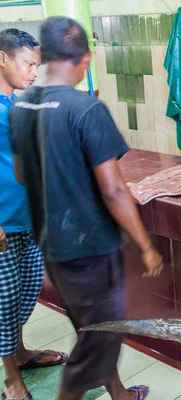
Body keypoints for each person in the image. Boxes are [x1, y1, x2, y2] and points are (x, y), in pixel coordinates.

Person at [9, 17, 163, 400]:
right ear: (86, 59)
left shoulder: (21, 105)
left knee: (91, 328)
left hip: (52, 247)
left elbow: (23, 175)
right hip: (91, 249)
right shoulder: (85, 109)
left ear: (43, 56)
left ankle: (120, 394)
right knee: (100, 337)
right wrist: (145, 245)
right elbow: (113, 190)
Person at [0, 28, 68, 400]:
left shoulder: (13, 104)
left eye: (37, 66)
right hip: (4, 225)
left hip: (27, 219)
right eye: (28, 64)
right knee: (4, 299)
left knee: (26, 292)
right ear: (2, 58)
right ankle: (11, 379)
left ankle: (21, 352)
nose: (32, 73)